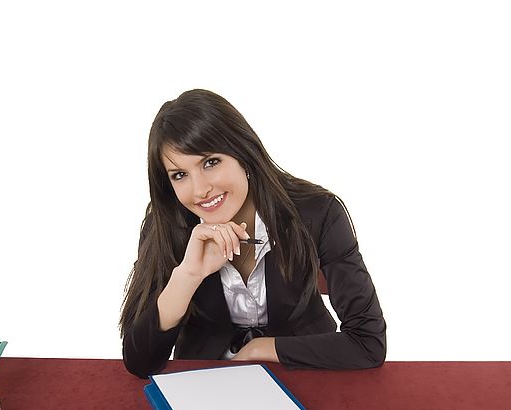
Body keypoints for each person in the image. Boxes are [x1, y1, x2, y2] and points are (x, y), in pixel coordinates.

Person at [120, 89, 386, 378]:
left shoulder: (318, 213)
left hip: (302, 371)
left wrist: (262, 348)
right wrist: (187, 276)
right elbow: (139, 362)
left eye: (210, 162)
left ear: (243, 155)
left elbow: (367, 342)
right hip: (206, 382)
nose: (199, 190)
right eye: (179, 175)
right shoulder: (166, 226)